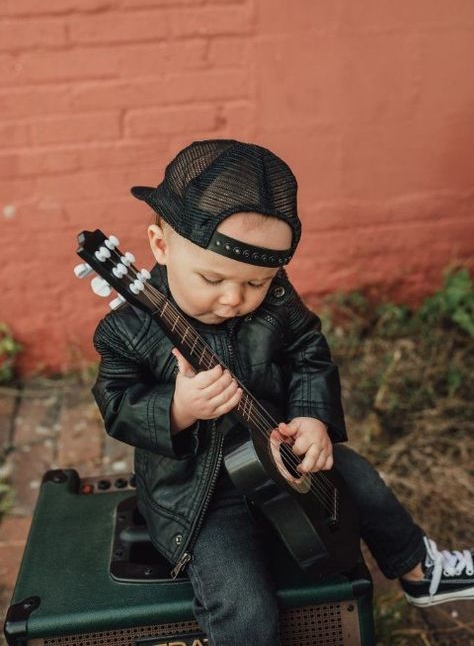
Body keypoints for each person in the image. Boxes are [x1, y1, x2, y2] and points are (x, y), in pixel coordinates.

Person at [92, 139, 474, 645]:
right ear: (161, 246)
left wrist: (312, 417)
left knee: (359, 478)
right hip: (202, 495)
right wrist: (179, 408)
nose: (234, 299)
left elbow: (308, 352)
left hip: (279, 454)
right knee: (244, 605)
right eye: (212, 278)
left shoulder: (274, 297)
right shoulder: (127, 329)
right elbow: (117, 406)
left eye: (256, 283)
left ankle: (418, 570)